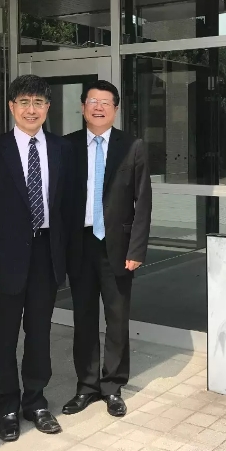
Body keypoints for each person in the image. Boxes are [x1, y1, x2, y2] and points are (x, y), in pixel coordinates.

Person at [0, 75, 76, 442]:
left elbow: (67, 208)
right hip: (2, 259)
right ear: (12, 107)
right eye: (25, 102)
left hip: (46, 253)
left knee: (39, 332)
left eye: (39, 103)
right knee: (3, 335)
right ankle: (7, 407)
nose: (32, 110)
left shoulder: (62, 149)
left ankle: (35, 401)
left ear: (48, 108)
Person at [62, 80, 152, 418]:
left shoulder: (133, 146)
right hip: (80, 244)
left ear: (115, 108)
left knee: (117, 318)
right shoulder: (67, 146)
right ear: (83, 107)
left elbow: (143, 202)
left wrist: (137, 249)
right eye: (92, 101)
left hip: (118, 246)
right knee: (83, 318)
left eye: (105, 102)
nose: (98, 107)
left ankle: (112, 386)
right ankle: (86, 386)